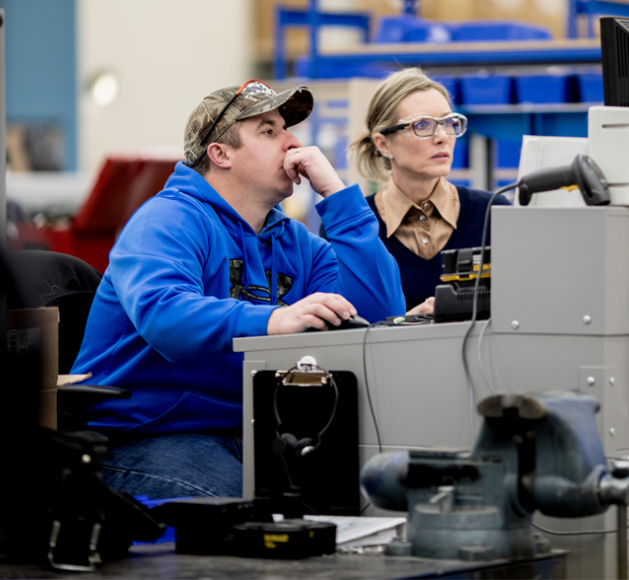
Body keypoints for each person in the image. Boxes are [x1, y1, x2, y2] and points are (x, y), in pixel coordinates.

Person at [71, 79, 405, 499]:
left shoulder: (296, 243)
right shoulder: (167, 220)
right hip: (144, 438)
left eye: (287, 129)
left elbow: (377, 316)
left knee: (354, 491)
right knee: (252, 511)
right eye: (269, 131)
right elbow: (165, 316)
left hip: (251, 434)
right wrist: (276, 320)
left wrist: (336, 196)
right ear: (221, 153)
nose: (292, 142)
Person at [348, 68, 511, 312]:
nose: (443, 136)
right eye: (422, 125)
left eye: (448, 122)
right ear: (383, 144)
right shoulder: (353, 227)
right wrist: (403, 326)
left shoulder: (494, 213)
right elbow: (344, 328)